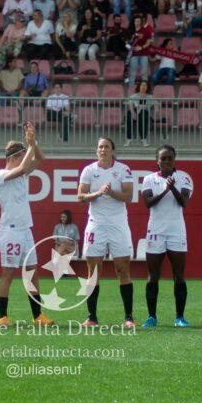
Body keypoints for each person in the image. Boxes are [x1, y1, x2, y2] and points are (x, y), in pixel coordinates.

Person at [0, 124, 55, 327]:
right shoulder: (1, 175)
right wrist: (29, 146)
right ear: (14, 157)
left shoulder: (21, 174)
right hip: (10, 230)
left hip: (25, 230)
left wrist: (33, 143)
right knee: (8, 273)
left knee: (32, 273)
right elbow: (22, 167)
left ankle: (38, 315)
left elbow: (40, 158)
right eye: (22, 156)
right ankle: (2, 316)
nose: (26, 160)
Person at [77, 137, 136, 326]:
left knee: (122, 269)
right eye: (100, 147)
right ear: (96, 151)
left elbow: (128, 196)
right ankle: (91, 317)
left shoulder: (123, 169)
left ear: (112, 150)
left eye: (106, 147)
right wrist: (98, 193)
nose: (103, 150)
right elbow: (80, 196)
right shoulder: (89, 170)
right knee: (93, 270)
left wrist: (110, 192)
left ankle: (128, 317)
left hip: (118, 223)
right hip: (96, 223)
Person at [141, 145, 193, 328]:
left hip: (176, 232)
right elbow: (148, 203)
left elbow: (183, 202)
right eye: (163, 158)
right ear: (157, 160)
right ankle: (151, 317)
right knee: (153, 276)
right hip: (155, 231)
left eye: (170, 158)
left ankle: (180, 317)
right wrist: (165, 190)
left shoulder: (184, 178)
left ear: (174, 159)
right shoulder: (149, 179)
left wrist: (173, 188)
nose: (166, 162)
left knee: (179, 276)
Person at [124, 81, 153, 147]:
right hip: (134, 111)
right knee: (129, 114)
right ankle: (129, 139)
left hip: (144, 112)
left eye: (145, 85)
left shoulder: (150, 97)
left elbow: (155, 104)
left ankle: (143, 139)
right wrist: (133, 113)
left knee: (143, 115)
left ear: (147, 87)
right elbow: (130, 105)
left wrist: (157, 107)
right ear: (139, 86)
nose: (143, 87)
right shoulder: (134, 96)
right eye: (142, 85)